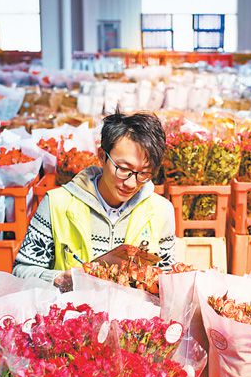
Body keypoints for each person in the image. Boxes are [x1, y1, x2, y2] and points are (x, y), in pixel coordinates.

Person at [13, 111, 175, 283]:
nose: (131, 183)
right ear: (102, 156)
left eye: (144, 173)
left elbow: (167, 278)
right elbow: (21, 271)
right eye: (123, 169)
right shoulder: (57, 204)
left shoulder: (161, 211)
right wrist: (59, 279)